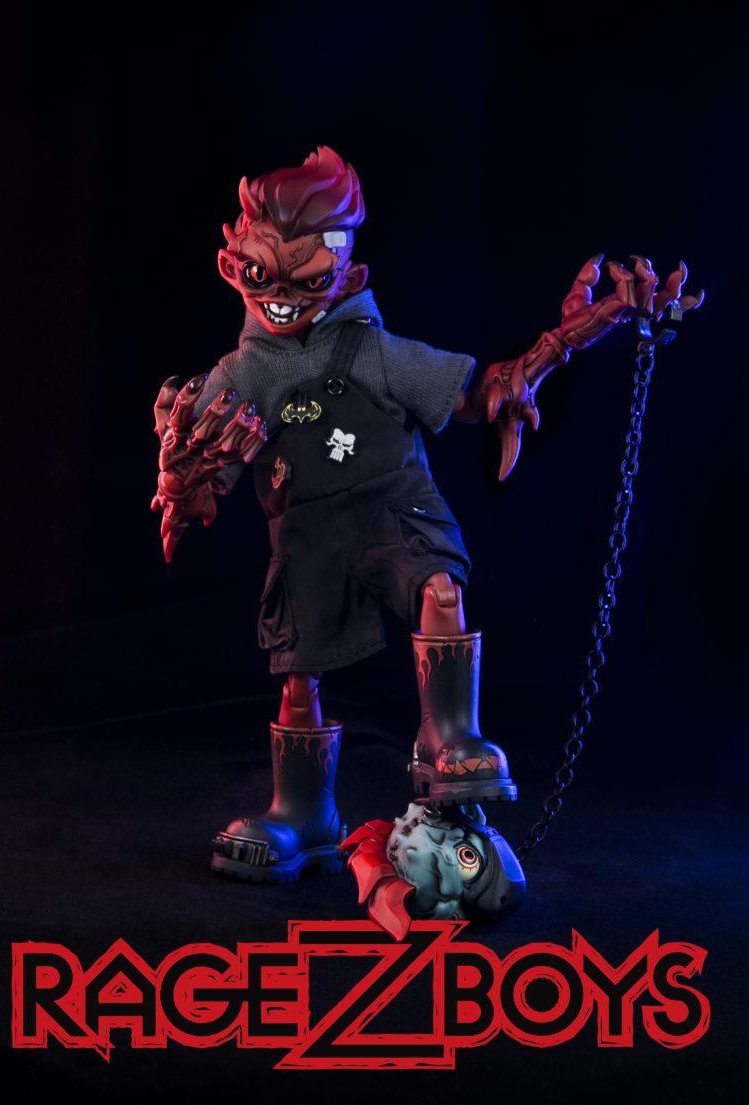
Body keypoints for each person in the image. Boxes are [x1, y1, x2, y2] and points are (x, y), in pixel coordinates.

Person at [152, 146, 701, 890]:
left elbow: (478, 394)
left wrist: (564, 341)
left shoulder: (373, 350)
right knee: (299, 675)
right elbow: (205, 476)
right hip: (306, 532)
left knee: (439, 588)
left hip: (392, 506)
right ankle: (303, 814)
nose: (279, 296)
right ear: (233, 263)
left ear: (348, 276)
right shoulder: (242, 375)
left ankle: (450, 737)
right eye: (259, 274)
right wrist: (183, 483)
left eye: (306, 280)